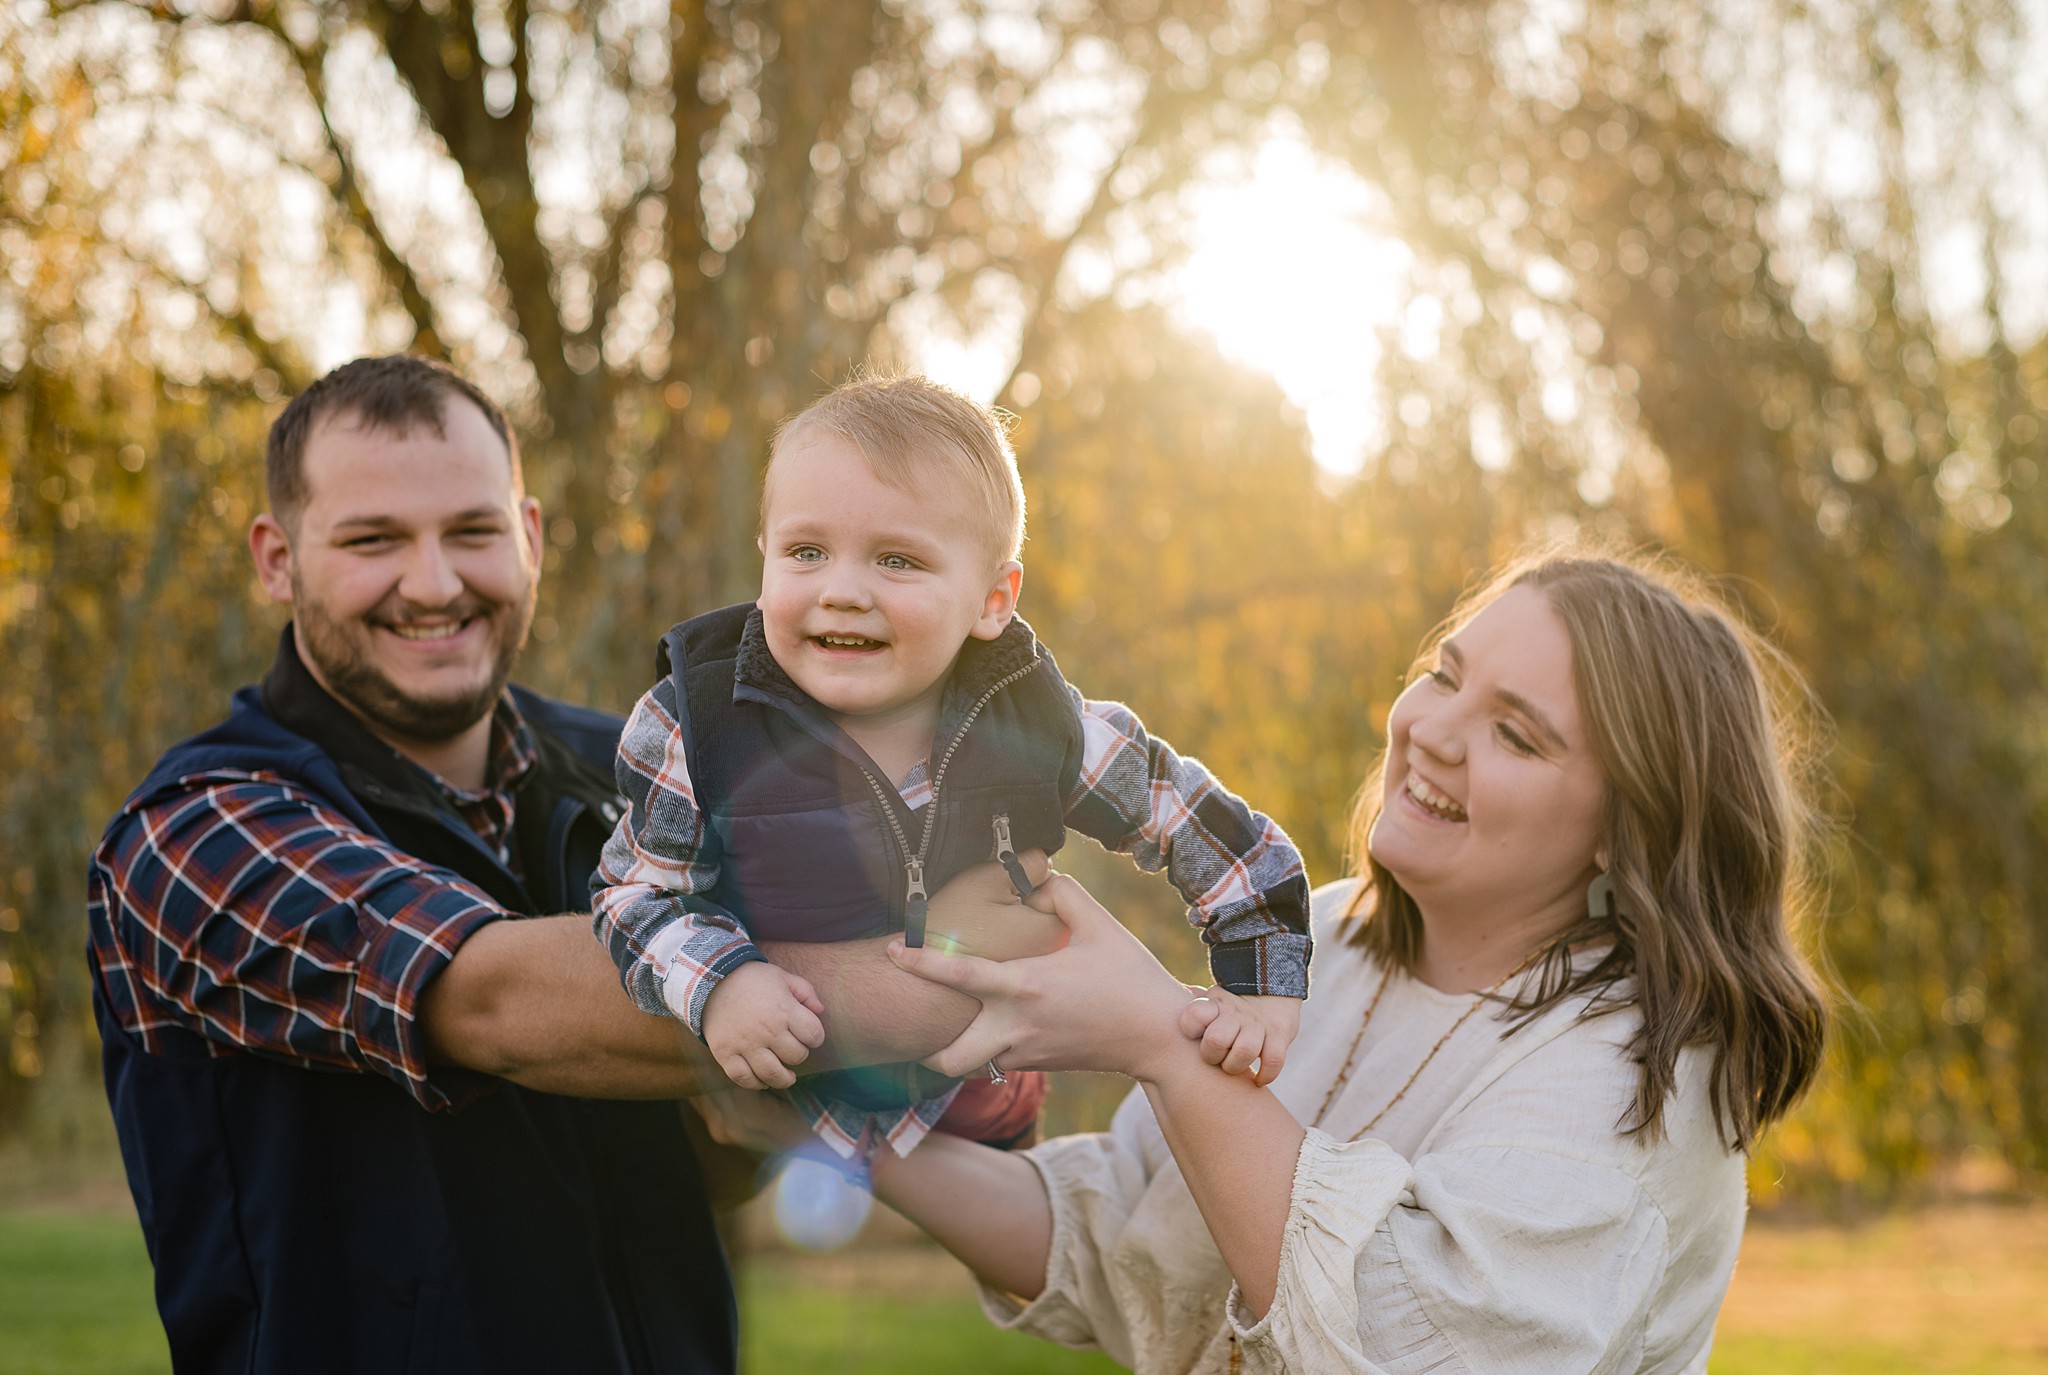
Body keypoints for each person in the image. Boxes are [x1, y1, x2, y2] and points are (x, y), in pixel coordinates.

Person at [83, 355, 1056, 1375]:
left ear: (530, 537)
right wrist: (949, 986)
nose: (432, 582)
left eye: (472, 531)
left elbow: (725, 1144)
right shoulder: (193, 832)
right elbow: (492, 998)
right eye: (373, 540)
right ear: (278, 559)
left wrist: (962, 1061)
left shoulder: (647, 768)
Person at [703, 546, 1831, 1374]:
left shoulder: (1637, 1076)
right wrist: (833, 1131)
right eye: (1444, 675)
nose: (1428, 730)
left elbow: (1405, 1341)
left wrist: (1156, 1034)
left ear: (1625, 832)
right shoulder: (1323, 942)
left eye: (1516, 733)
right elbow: (1123, 1242)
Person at [590, 374, 1312, 1161]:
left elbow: (1190, 815)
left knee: (1039, 1226)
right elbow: (634, 894)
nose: (842, 591)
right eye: (806, 551)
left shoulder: (1031, 720)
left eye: (897, 561)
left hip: (976, 1089)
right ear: (763, 557)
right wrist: (719, 980)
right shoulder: (694, 726)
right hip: (777, 1081)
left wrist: (1263, 982)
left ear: (993, 600)